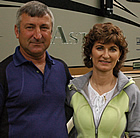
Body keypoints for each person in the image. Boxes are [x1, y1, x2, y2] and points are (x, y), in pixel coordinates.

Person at [0, 1, 72, 137]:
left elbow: (68, 109)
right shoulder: (4, 72)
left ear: (51, 32)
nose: (38, 35)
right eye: (30, 27)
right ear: (17, 31)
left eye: (44, 28)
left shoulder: (61, 69)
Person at [67, 22, 140, 137]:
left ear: (119, 54)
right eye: (100, 48)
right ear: (90, 52)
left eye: (112, 49)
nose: (106, 55)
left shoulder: (130, 91)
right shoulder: (74, 89)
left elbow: (137, 133)